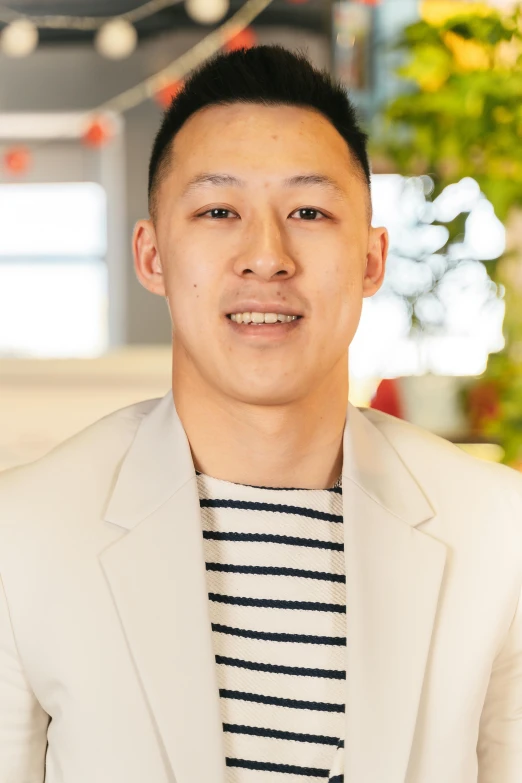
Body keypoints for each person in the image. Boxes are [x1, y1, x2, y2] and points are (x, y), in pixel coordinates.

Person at [0, 44, 521, 783]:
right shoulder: (22, 537)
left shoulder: (499, 536)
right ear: (152, 255)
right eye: (218, 210)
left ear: (372, 259)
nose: (266, 256)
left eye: (309, 210)